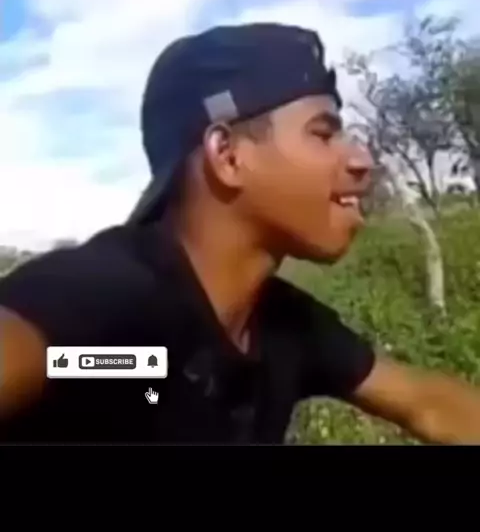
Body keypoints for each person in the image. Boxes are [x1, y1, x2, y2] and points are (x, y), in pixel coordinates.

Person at [1, 22, 480, 444]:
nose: (361, 160)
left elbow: (430, 404)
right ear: (228, 155)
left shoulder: (282, 325)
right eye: (323, 133)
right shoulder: (109, 297)